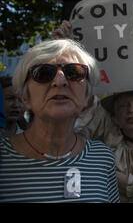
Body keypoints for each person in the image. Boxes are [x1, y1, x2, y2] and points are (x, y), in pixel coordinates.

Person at [53, 20, 133, 203]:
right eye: (123, 105)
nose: (131, 110)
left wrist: (103, 169)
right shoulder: (108, 135)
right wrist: (65, 49)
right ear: (115, 114)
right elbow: (83, 115)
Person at [0, 39, 119, 202]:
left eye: (74, 72)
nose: (59, 81)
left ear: (87, 97)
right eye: (43, 73)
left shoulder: (102, 157)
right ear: (25, 97)